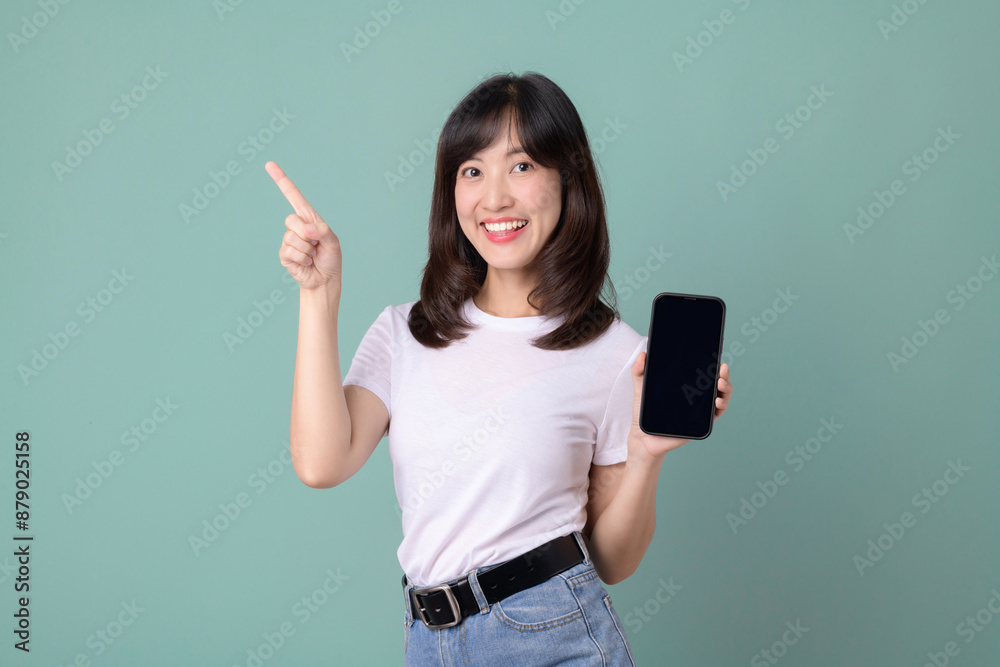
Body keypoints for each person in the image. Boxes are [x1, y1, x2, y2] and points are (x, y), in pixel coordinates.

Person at [268, 71, 732, 666]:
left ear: (568, 179)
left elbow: (612, 562)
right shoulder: (405, 333)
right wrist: (319, 293)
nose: (495, 199)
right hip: (428, 638)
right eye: (472, 171)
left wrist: (644, 454)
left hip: (550, 633)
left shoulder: (614, 353)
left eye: (521, 166)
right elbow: (320, 462)